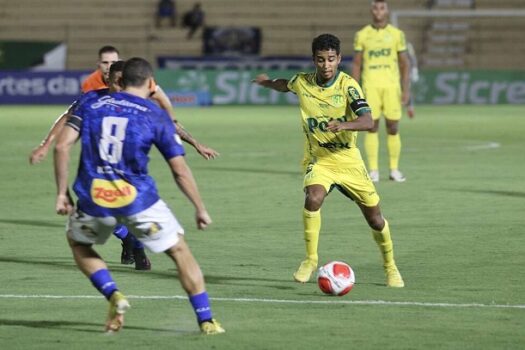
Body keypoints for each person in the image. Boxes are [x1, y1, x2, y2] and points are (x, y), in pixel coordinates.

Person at [53, 57, 225, 334]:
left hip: (94, 199)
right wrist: (199, 208)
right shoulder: (154, 113)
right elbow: (179, 170)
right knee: (180, 251)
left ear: (119, 81)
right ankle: (206, 320)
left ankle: (113, 294)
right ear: (149, 83)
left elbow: (62, 147)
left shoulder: (89, 104)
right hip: (139, 201)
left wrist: (62, 193)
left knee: (79, 243)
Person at [30, 46, 219, 269]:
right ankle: (129, 246)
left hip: (130, 173)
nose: (110, 71)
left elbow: (169, 120)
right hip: (100, 170)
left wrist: (194, 142)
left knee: (118, 215)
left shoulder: (141, 94)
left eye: (113, 64)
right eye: (105, 64)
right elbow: (68, 117)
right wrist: (46, 144)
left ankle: (134, 247)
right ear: (102, 71)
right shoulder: (92, 93)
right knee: (103, 215)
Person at [252, 34, 404, 288]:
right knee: (313, 197)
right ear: (314, 60)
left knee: (375, 219)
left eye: (331, 60)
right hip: (319, 159)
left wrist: (343, 124)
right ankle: (311, 260)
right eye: (321, 60)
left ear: (339, 59)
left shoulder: (348, 85)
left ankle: (391, 267)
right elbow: (284, 84)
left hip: (348, 161)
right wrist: (267, 82)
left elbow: (368, 121)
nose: (326, 65)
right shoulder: (302, 82)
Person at [351, 0, 411, 183]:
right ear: (371, 10)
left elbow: (404, 63)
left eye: (382, 7)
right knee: (371, 126)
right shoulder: (362, 35)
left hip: (392, 87)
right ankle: (374, 171)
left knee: (393, 127)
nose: (379, 11)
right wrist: (354, 90)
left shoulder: (397, 34)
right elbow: (357, 64)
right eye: (376, 8)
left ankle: (394, 170)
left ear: (387, 10)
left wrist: (406, 89)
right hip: (371, 86)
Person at [406, 41, 419, 119]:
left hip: (406, 71)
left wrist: (414, 69)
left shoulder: (407, 45)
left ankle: (410, 108)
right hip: (393, 71)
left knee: (407, 88)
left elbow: (412, 57)